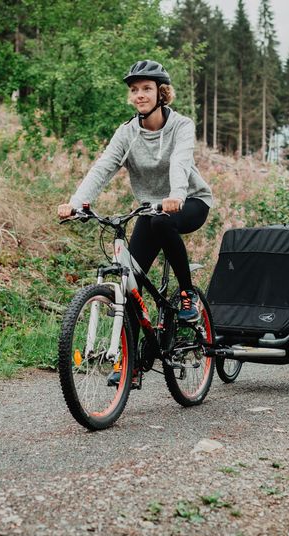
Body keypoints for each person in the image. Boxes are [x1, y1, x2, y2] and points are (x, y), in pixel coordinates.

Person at [57, 60, 213, 383]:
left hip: (189, 201)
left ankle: (187, 295)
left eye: (146, 89)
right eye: (134, 90)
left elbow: (180, 163)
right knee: (130, 282)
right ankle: (132, 363)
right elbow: (103, 168)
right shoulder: (127, 133)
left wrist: (177, 195)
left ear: (161, 93)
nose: (139, 95)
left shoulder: (181, 126)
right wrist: (76, 203)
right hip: (149, 210)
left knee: (162, 223)